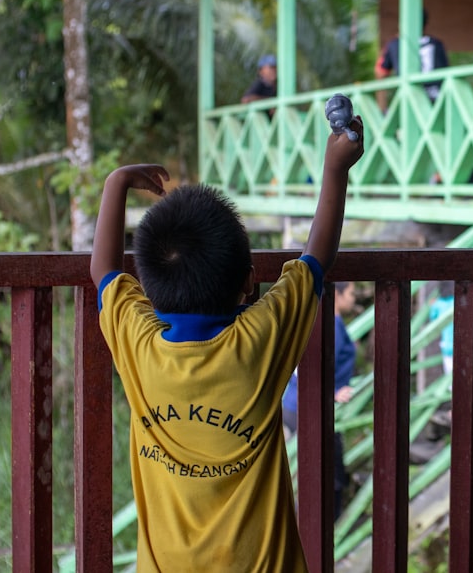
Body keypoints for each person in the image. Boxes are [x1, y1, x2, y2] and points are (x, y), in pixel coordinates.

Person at [90, 112, 364, 571]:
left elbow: (103, 272)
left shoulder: (138, 343)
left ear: (149, 289)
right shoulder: (260, 338)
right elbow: (317, 257)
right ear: (249, 283)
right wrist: (337, 168)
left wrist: (115, 184)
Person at [282, 280, 358, 521]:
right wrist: (333, 392)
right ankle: (316, 531)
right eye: (352, 293)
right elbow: (302, 368)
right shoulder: (329, 327)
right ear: (338, 294)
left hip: (300, 406)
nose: (355, 298)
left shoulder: (323, 322)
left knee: (316, 469)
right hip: (311, 409)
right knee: (326, 472)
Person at [375, 9, 449, 102]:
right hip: (436, 100)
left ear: (403, 23)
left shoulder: (394, 44)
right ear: (425, 24)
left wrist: (382, 109)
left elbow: (380, 72)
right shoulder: (437, 44)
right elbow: (446, 72)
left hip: (408, 101)